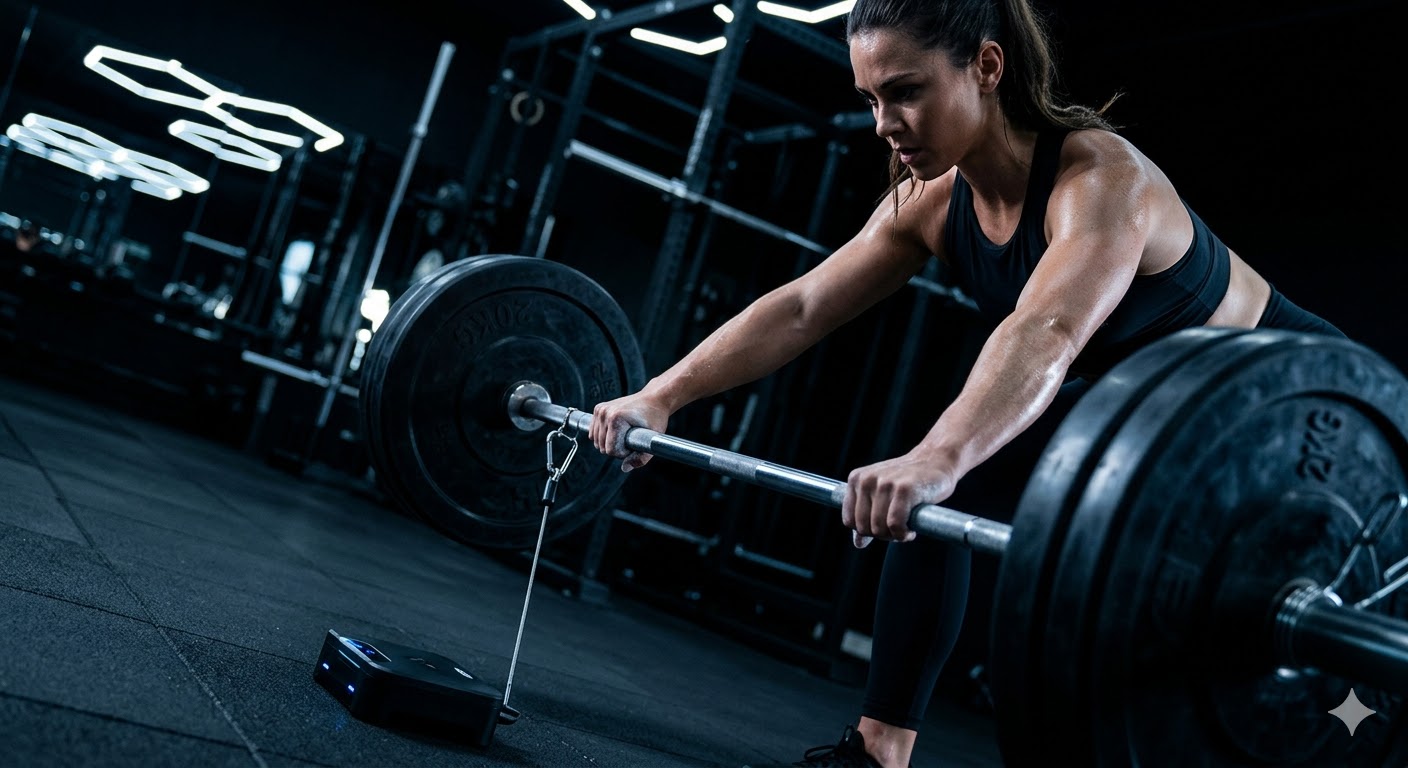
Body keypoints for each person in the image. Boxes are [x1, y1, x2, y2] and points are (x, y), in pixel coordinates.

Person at [588, 0, 1345, 765]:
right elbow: (803, 306)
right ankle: (879, 752)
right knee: (948, 492)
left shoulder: (1102, 180)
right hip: (1158, 410)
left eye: (907, 91)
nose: (885, 121)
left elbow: (1047, 329)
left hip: (1300, 407)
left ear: (986, 67)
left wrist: (937, 457)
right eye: (871, 100)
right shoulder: (932, 203)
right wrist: (663, 393)